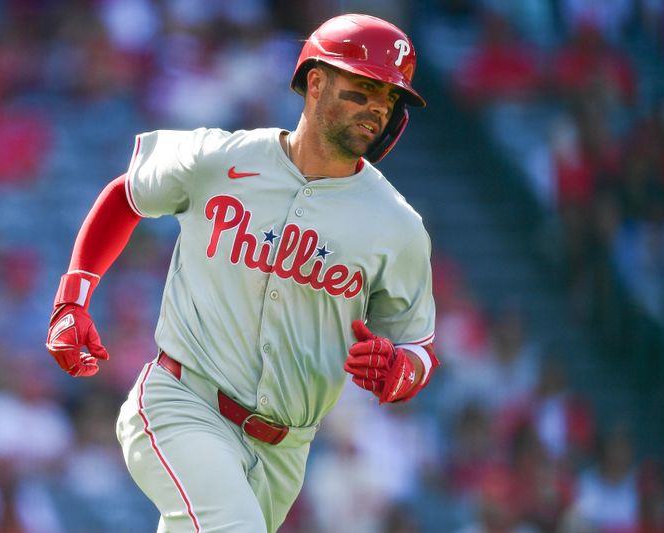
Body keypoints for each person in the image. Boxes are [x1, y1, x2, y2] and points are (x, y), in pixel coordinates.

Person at [45, 13, 439, 533]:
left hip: (284, 450)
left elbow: (418, 348)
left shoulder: (398, 226)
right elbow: (127, 194)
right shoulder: (222, 158)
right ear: (316, 82)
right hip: (182, 403)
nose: (377, 107)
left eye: (389, 97)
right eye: (363, 87)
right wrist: (72, 299)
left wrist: (400, 371)